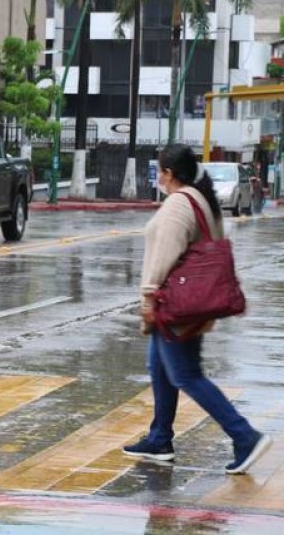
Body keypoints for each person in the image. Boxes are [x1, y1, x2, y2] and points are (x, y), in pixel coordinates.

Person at [123, 144, 271, 475]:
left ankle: (244, 434)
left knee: (185, 375)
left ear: (169, 174)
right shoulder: (200, 198)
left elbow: (165, 254)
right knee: (158, 366)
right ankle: (160, 437)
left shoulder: (179, 203)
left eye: (160, 171)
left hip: (176, 305)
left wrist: (148, 296)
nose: (158, 176)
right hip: (188, 302)